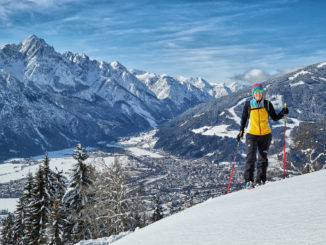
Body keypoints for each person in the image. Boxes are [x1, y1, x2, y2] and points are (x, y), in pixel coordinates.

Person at [237, 83, 288, 188]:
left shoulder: (267, 104)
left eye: (260, 92)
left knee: (263, 158)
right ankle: (249, 181)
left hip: (265, 135)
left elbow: (274, 117)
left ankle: (260, 181)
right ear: (253, 94)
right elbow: (243, 119)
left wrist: (283, 113)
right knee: (251, 157)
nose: (258, 94)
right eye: (256, 92)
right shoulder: (248, 104)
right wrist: (241, 131)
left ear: (262, 93)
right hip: (252, 134)